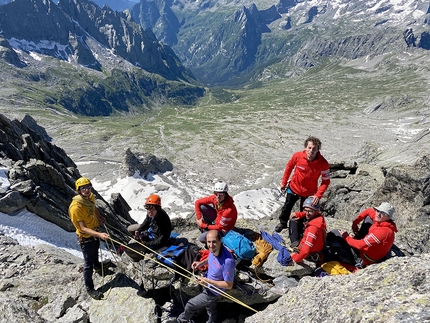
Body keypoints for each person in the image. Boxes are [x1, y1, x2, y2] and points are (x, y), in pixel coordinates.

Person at [176, 230, 236, 323]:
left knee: (190, 305)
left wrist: (208, 281)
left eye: (214, 242)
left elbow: (229, 285)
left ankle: (180, 321)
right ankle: (212, 321)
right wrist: (201, 263)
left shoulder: (228, 261)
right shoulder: (214, 250)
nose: (211, 245)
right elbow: (212, 258)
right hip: (207, 283)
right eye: (209, 242)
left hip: (213, 291)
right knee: (210, 307)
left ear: (220, 241)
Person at [275, 136, 330, 233]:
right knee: (287, 206)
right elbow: (289, 168)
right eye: (309, 148)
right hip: (293, 187)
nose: (311, 151)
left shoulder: (323, 163)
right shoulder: (297, 156)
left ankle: (300, 228)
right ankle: (282, 223)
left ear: (318, 150)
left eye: (314, 149)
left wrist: (318, 195)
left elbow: (326, 181)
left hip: (309, 192)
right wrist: (284, 182)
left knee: (305, 212)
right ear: (305, 147)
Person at [69, 177, 110, 300]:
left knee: (96, 250)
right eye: (83, 188)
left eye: (88, 187)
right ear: (78, 190)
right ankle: (90, 289)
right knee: (88, 265)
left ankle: (98, 266)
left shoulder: (90, 197)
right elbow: (82, 228)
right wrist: (99, 235)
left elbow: (93, 208)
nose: (87, 190)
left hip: (94, 231)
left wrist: (100, 217)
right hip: (86, 237)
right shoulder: (76, 207)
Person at [337, 202, 398, 267]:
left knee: (336, 233)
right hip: (367, 248)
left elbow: (360, 245)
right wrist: (355, 223)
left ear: (388, 218)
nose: (378, 214)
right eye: (378, 210)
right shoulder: (381, 221)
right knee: (369, 219)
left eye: (383, 213)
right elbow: (368, 211)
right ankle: (358, 237)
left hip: (365, 258)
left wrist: (346, 237)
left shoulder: (384, 232)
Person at [124, 194, 172, 262]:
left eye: (152, 209)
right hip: (151, 232)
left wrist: (146, 244)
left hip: (155, 242)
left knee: (127, 249)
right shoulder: (152, 212)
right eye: (148, 209)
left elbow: (161, 241)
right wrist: (139, 230)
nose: (150, 211)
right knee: (130, 229)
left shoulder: (163, 222)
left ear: (157, 209)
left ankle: (138, 258)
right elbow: (146, 222)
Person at [289, 197, 327, 263]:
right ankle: (296, 243)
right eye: (305, 210)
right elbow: (307, 213)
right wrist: (299, 214)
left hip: (311, 252)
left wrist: (294, 258)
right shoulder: (319, 218)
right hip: (316, 246)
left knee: (293, 221)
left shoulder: (313, 228)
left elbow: (306, 250)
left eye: (310, 211)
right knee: (295, 219)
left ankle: (295, 244)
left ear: (316, 211)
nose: (307, 213)